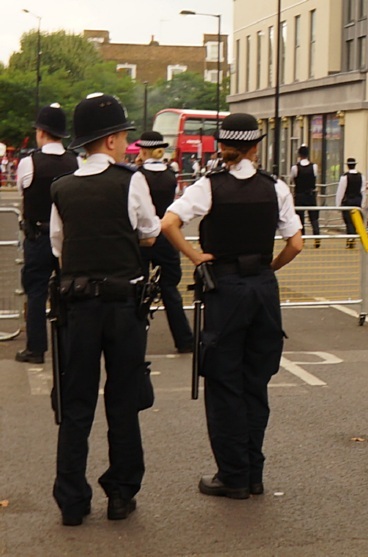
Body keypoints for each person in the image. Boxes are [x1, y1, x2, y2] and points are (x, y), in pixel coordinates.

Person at [161, 113, 303, 500]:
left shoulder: (208, 186)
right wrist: (269, 269)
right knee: (256, 381)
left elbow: (168, 223)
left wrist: (195, 256)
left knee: (224, 382)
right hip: (263, 288)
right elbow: (295, 243)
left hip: (225, 288)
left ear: (222, 146)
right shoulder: (275, 187)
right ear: (255, 147)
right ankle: (254, 473)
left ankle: (233, 475)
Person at [50, 93, 161, 525]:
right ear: (112, 140)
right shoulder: (130, 181)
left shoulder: (62, 187)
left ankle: (72, 501)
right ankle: (120, 492)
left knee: (76, 403)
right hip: (123, 304)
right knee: (123, 399)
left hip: (78, 306)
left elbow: (59, 247)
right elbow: (149, 230)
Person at [15, 103, 79, 364]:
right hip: (68, 238)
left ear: (41, 132)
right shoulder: (76, 161)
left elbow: (23, 192)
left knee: (36, 291)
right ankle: (69, 347)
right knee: (69, 292)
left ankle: (36, 349)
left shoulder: (28, 163)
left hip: (38, 236)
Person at [135, 131, 194, 353]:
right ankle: (184, 340)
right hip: (166, 236)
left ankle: (135, 339)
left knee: (137, 290)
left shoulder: (137, 175)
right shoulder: (171, 175)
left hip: (142, 237)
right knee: (170, 290)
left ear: (143, 151)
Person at [291, 145, 320, 247]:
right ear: (308, 154)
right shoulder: (314, 167)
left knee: (300, 218)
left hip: (299, 195)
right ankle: (317, 237)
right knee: (314, 217)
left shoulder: (295, 168)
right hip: (311, 195)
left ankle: (302, 239)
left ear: (299, 155)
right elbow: (315, 177)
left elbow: (292, 179)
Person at [336, 157, 364, 248]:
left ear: (348, 166)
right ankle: (352, 238)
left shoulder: (345, 177)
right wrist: (362, 203)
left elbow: (341, 192)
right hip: (357, 202)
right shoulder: (361, 176)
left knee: (348, 222)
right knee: (356, 221)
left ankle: (350, 239)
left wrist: (338, 205)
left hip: (348, 202)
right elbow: (363, 191)